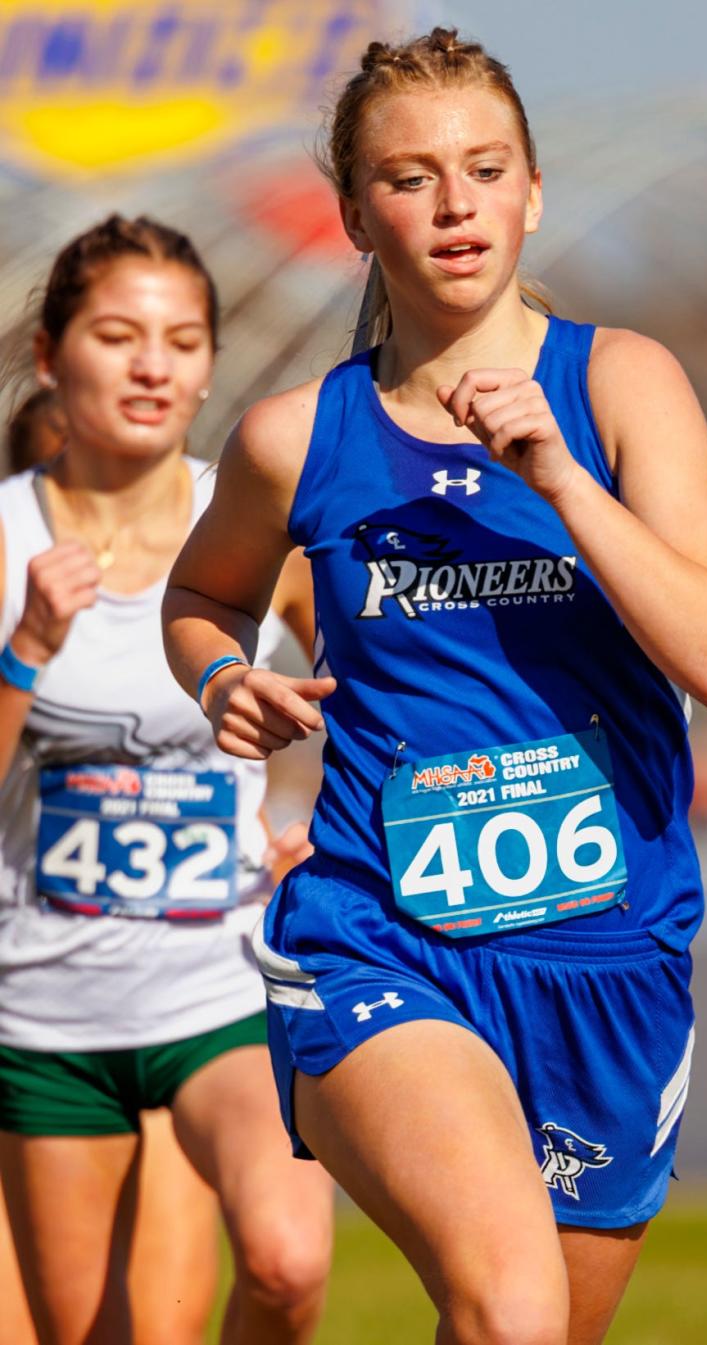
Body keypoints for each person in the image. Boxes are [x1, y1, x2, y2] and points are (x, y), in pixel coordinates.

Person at [163, 28, 707, 1345]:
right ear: (353, 212)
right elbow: (203, 597)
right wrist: (221, 677)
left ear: (533, 192)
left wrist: (561, 480)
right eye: (411, 176)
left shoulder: (619, 387)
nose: (454, 206)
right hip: (385, 937)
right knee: (510, 1314)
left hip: (609, 952)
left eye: (485, 170)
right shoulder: (294, 437)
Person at [0, 215, 332, 1345]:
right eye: (118, 334)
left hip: (224, 987)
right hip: (47, 1006)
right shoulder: (1, 538)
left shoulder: (250, 523)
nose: (153, 365)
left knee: (287, 1263)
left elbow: (384, 694)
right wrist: (25, 648)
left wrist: (325, 834)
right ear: (51, 356)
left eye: (183, 340)